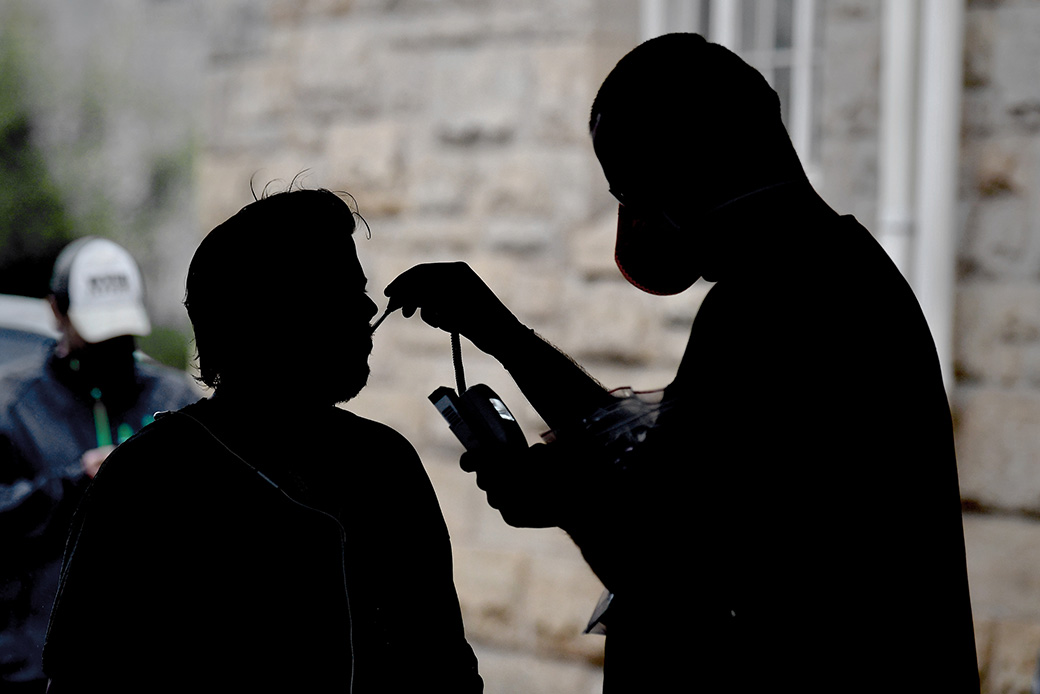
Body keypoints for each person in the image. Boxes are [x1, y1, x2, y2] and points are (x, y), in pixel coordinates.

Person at [384, 34, 979, 692]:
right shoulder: (832, 273)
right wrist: (502, 333)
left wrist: (558, 494)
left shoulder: (775, 302)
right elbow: (658, 466)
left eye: (631, 194)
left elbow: (661, 554)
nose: (632, 224)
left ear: (683, 169)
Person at [42, 188, 483, 692]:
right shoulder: (149, 481)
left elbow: (446, 668)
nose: (366, 308)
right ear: (270, 314)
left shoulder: (385, 464)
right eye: (338, 288)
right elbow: (83, 679)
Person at [0, 237, 199, 692]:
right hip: (36, 672)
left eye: (121, 332)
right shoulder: (12, 407)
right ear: (56, 312)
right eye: (96, 333)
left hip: (152, 667)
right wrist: (76, 483)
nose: (111, 347)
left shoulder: (175, 401)